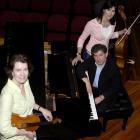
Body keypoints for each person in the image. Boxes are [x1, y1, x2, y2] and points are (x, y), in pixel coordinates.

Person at [0, 54, 53, 140]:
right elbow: (4, 129)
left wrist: (42, 109)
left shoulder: (25, 83)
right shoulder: (7, 94)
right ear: (11, 71)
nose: (22, 74)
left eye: (25, 69)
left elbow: (29, 102)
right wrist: (26, 133)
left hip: (28, 130)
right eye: (18, 70)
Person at [72, 0, 130, 65]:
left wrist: (122, 31)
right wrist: (78, 54)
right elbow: (81, 39)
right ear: (103, 10)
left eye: (113, 11)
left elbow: (108, 36)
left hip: (104, 57)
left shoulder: (113, 23)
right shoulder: (92, 24)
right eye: (108, 9)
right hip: (91, 56)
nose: (111, 13)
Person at [77, 44, 123, 115]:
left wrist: (101, 97)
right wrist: (87, 82)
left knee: (94, 112)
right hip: (92, 88)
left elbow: (116, 86)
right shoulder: (92, 60)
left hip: (105, 92)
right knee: (79, 104)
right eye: (95, 55)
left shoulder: (113, 67)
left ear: (106, 54)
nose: (98, 58)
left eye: (101, 55)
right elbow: (80, 67)